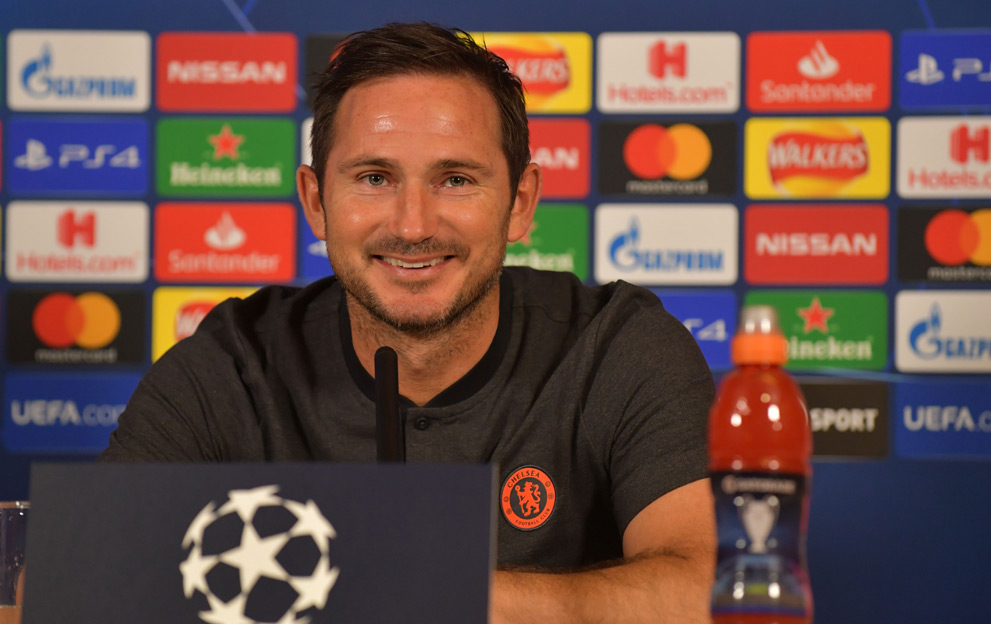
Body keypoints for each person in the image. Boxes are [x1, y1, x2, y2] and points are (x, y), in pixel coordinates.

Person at [101, 22, 716, 622]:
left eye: (456, 179)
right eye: (374, 178)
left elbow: (706, 594)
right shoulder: (229, 366)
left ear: (520, 203)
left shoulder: (619, 348)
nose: (413, 225)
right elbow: (89, 578)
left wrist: (422, 594)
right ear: (316, 202)